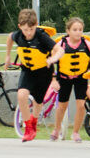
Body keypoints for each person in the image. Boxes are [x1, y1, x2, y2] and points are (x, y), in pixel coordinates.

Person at [4, 9, 63, 142]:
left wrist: (53, 59)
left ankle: (34, 121)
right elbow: (9, 38)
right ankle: (28, 127)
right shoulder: (18, 35)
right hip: (28, 70)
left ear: (36, 24)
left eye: (31, 29)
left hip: (44, 72)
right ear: (20, 27)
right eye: (25, 30)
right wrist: (7, 56)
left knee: (38, 102)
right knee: (21, 95)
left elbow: (60, 50)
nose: (29, 33)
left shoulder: (42, 37)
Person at [49, 17, 90, 143]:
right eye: (75, 29)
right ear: (68, 30)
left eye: (80, 29)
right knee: (62, 106)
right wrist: (53, 79)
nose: (78, 32)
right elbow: (51, 61)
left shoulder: (86, 44)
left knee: (81, 106)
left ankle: (75, 132)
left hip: (81, 78)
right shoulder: (61, 44)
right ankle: (56, 129)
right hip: (64, 78)